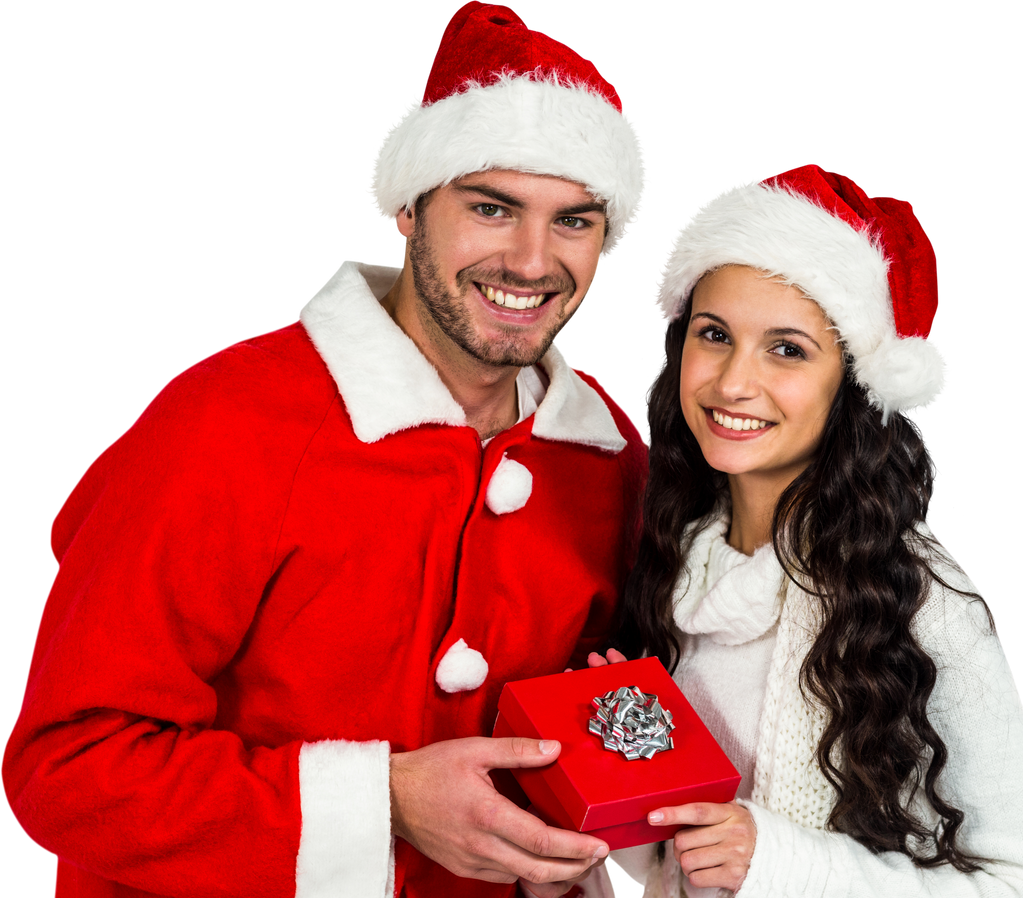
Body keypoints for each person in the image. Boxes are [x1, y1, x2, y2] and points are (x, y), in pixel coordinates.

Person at [0, 3, 651, 897]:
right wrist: (382, 801)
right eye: (493, 208)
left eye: (574, 221)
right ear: (410, 209)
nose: (533, 261)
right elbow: (67, 771)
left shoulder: (608, 455)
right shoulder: (223, 423)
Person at [590, 163, 1023, 896]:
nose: (732, 383)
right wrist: (626, 780)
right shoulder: (674, 557)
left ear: (849, 384)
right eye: (714, 334)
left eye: (787, 349)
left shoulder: (917, 597)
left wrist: (780, 862)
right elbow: (693, 864)